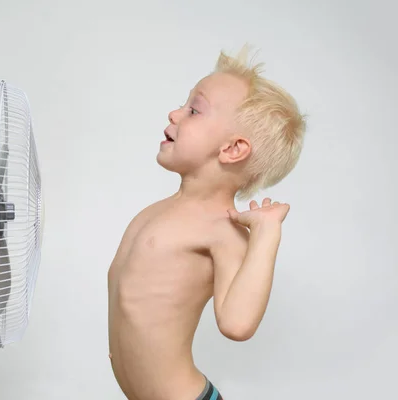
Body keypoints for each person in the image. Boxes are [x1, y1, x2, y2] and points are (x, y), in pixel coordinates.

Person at [107, 45, 306, 400]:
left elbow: (237, 324)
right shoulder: (154, 212)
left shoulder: (223, 230)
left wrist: (265, 234)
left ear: (232, 149)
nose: (174, 113)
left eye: (193, 110)